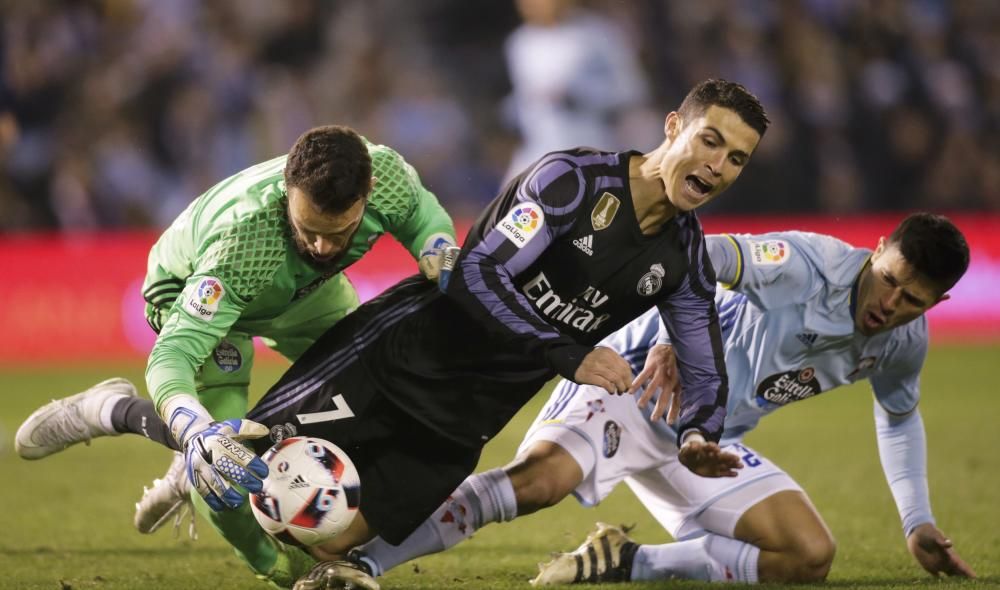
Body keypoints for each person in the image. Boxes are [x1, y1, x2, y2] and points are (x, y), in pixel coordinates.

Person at [17, 79, 768, 590]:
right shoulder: (571, 183)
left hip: (456, 402)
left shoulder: (682, 259)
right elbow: (472, 279)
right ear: (674, 126)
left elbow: (700, 360)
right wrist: (563, 351)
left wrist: (701, 429)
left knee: (331, 533)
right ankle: (131, 417)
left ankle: (216, 461)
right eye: (710, 141)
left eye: (735, 158)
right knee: (245, 468)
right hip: (311, 330)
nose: (718, 164)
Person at [348, 213, 976, 585]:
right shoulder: (804, 263)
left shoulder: (902, 344)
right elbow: (689, 256)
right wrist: (682, 333)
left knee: (808, 558)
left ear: (935, 305)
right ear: (877, 253)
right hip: (630, 380)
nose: (888, 305)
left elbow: (898, 418)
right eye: (889, 280)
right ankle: (364, 563)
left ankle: (623, 561)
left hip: (705, 439)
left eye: (911, 300)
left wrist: (916, 521)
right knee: (539, 482)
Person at [16, 124, 456, 587]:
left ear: (367, 193)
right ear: (288, 190)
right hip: (191, 288)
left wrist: (438, 247)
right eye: (309, 230)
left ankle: (169, 445)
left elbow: (422, 214)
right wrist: (197, 430)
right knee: (219, 468)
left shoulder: (383, 174)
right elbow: (171, 359)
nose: (323, 247)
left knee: (378, 395)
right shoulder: (243, 242)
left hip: (305, 294)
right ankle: (111, 412)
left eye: (339, 232)